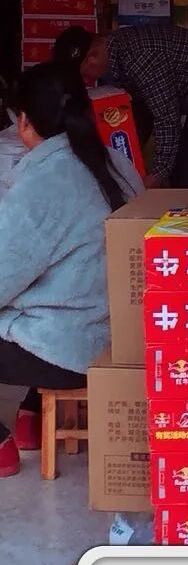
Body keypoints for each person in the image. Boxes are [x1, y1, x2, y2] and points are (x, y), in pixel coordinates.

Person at [0, 62, 136, 477]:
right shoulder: (114, 162)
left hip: (68, 351)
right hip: (119, 338)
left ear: (24, 121)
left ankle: (2, 449)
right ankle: (31, 417)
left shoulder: (42, 184)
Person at [53, 24, 188, 188]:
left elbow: (166, 118)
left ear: (93, 56)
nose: (87, 81)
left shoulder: (139, 58)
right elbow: (142, 109)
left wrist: (157, 175)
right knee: (180, 168)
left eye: (85, 74)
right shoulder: (118, 51)